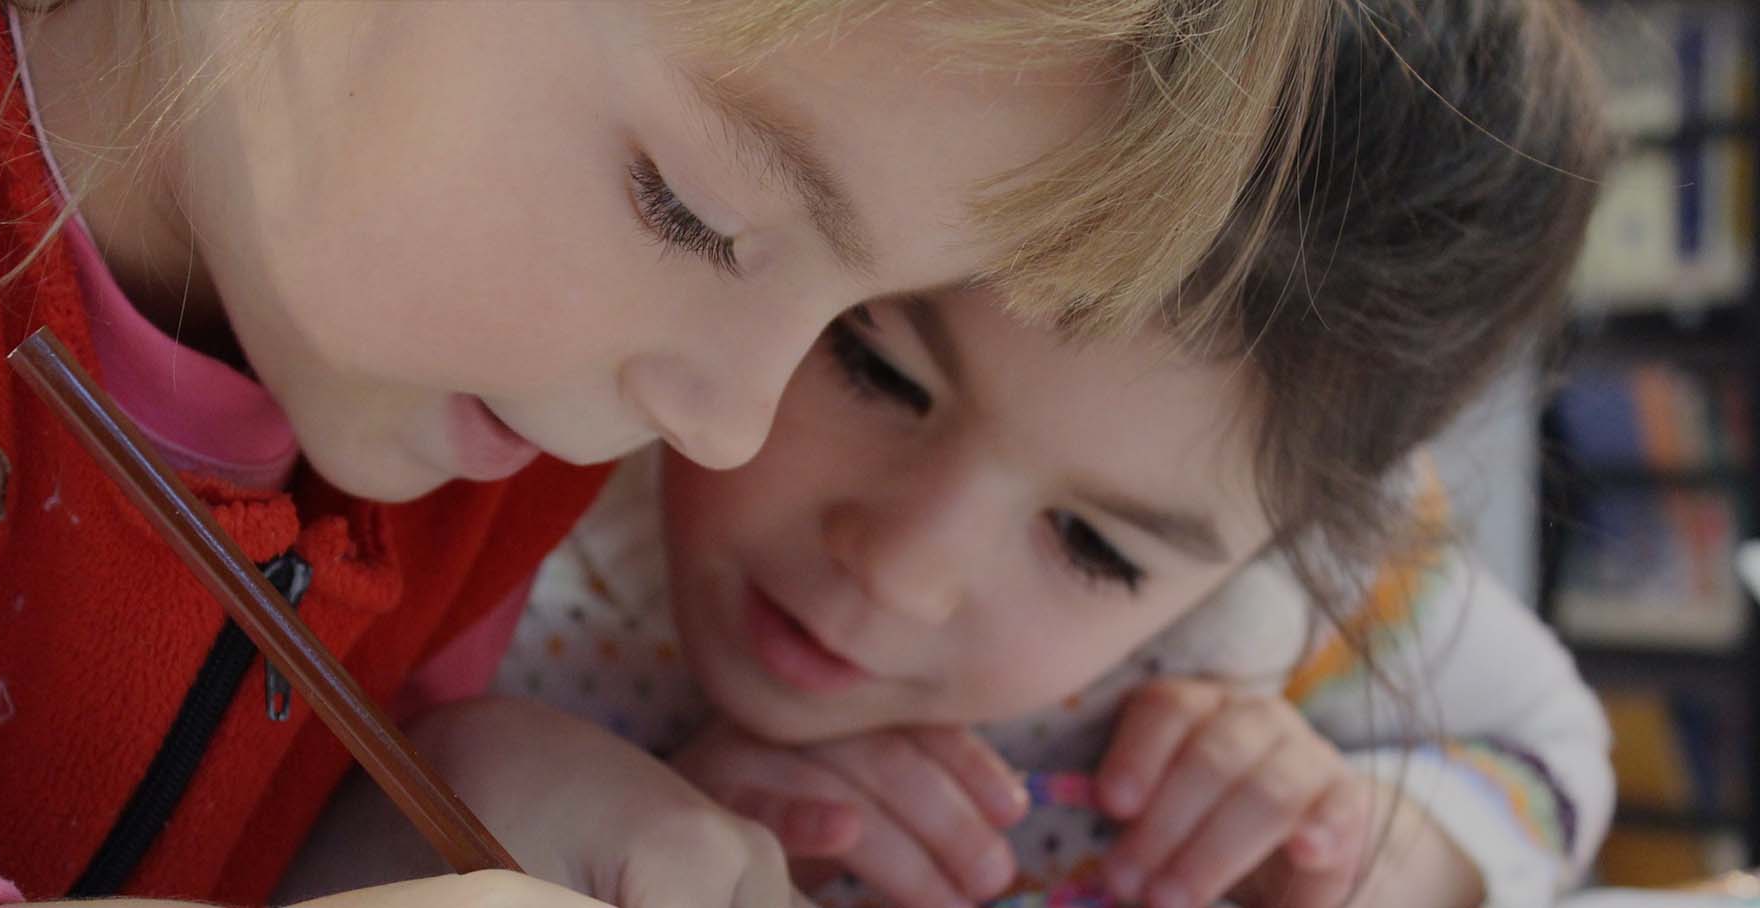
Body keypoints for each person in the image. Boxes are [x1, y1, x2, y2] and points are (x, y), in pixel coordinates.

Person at [0, 1, 1332, 908]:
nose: (728, 423)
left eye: (854, 312)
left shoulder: (490, 438)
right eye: (693, 212)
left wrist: (463, 821)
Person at [449, 1, 1614, 906]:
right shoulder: (517, 429)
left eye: (1095, 547)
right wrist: (546, 800)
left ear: (1291, 549)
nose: (901, 570)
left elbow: (1552, 746)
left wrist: (1390, 838)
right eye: (879, 371)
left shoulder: (1286, 608)